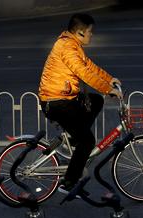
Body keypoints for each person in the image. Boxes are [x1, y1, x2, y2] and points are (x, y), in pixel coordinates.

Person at [38, 13, 123, 192]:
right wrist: (108, 89)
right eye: (90, 32)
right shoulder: (67, 47)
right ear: (81, 33)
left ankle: (75, 139)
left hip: (64, 98)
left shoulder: (72, 44)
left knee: (95, 100)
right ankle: (68, 183)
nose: (92, 35)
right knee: (88, 141)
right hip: (56, 102)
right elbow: (83, 73)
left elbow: (89, 66)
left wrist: (109, 79)